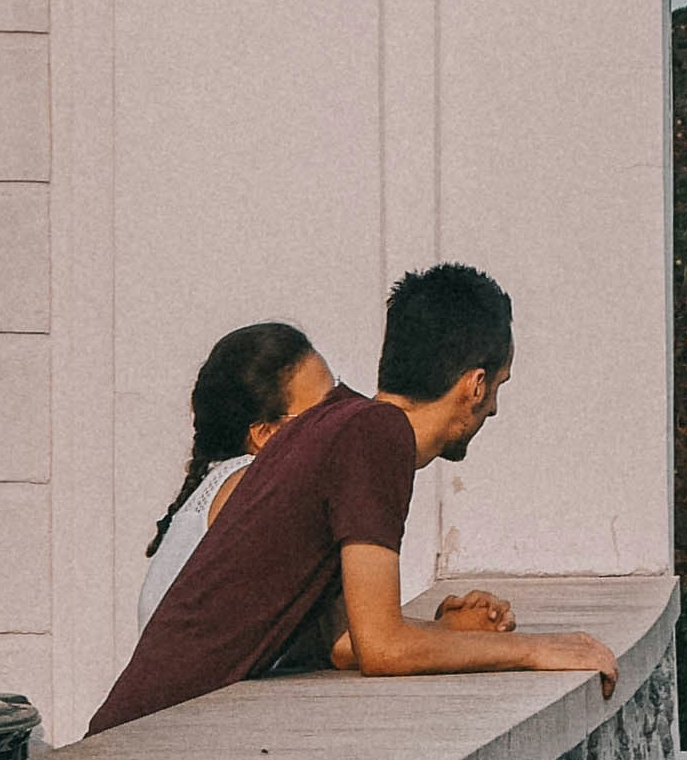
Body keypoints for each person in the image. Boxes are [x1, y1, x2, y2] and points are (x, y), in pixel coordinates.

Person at [86, 262, 617, 735]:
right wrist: (538, 649)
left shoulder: (340, 424)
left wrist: (442, 633)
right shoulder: (377, 437)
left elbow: (347, 643)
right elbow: (384, 649)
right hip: (146, 741)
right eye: (499, 384)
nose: (495, 408)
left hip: (140, 729)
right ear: (475, 385)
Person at [132, 320, 329, 632]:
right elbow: (342, 643)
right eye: (323, 410)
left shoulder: (229, 483)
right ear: (265, 433)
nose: (340, 418)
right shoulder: (252, 488)